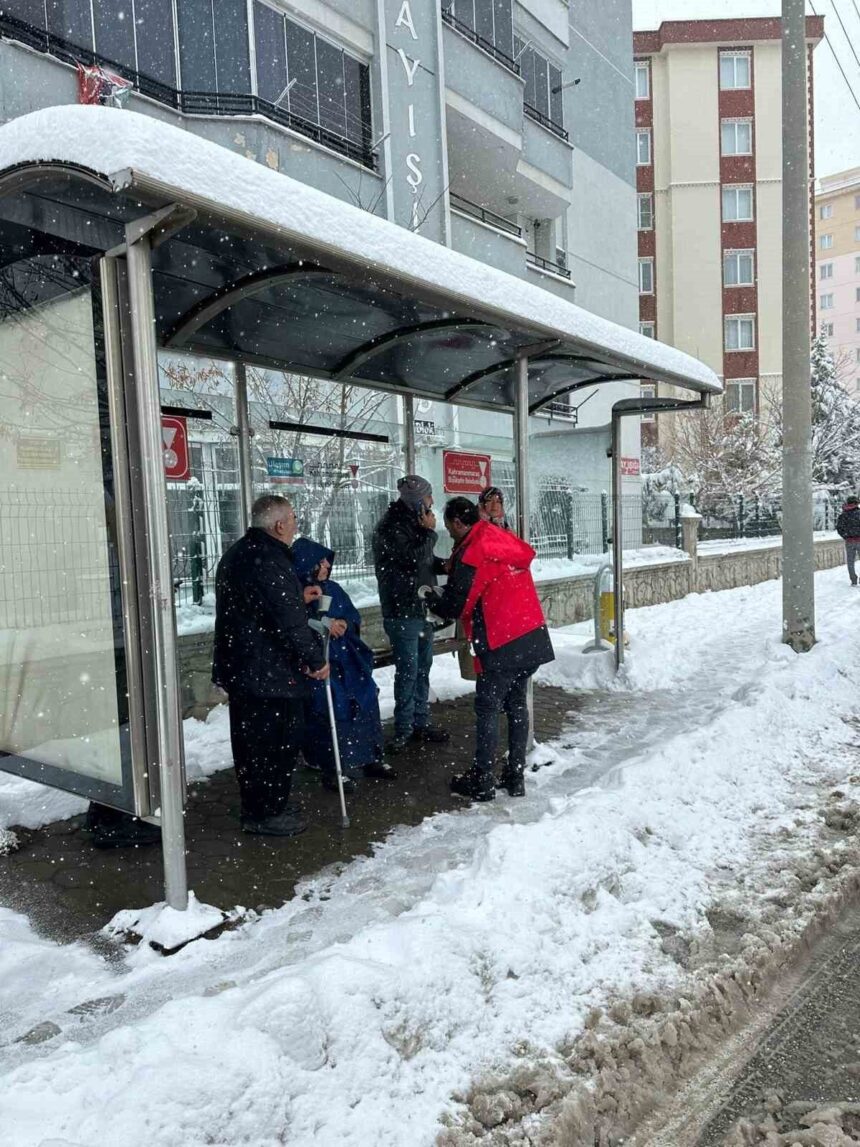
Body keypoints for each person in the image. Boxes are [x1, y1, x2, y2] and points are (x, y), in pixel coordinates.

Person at [212, 494, 329, 836]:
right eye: (292, 519)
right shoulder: (268, 559)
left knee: (253, 744)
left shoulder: (243, 552)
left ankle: (264, 805)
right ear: (279, 525)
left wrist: (296, 594)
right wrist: (314, 659)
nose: (295, 525)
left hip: (246, 666)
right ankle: (265, 813)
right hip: (266, 672)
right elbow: (288, 620)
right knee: (273, 743)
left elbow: (264, 605)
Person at [427, 497, 554, 803]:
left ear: (459, 523)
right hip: (529, 632)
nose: (449, 533)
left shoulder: (474, 551)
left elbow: (458, 602)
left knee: (487, 708)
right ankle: (515, 775)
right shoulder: (499, 536)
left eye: (449, 527)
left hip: (502, 639)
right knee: (516, 705)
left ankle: (482, 779)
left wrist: (432, 600)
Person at [291, 537, 394, 783]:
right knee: (332, 701)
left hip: (346, 660)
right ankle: (333, 763)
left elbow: (351, 615)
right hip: (318, 663)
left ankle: (369, 755)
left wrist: (345, 624)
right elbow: (294, 624)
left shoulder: (333, 589)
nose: (326, 565)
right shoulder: (295, 593)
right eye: (321, 561)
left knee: (366, 693)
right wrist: (321, 625)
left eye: (327, 560)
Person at [372, 475, 450, 752]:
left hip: (420, 608)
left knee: (422, 668)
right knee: (408, 671)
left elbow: (422, 561)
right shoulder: (392, 527)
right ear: (419, 501)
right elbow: (411, 559)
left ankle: (420, 722)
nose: (432, 503)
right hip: (403, 610)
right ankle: (404, 728)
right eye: (429, 498)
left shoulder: (410, 523)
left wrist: (444, 566)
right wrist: (430, 533)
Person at [836, 494, 860, 586]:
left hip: (849, 541)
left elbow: (839, 528)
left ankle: (853, 580)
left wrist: (846, 536)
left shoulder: (843, 515)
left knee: (850, 561)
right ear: (856, 503)